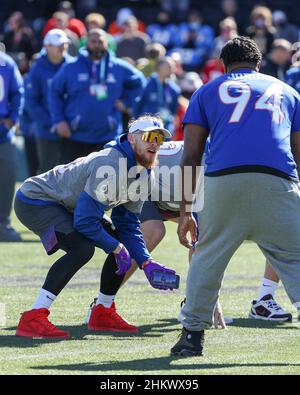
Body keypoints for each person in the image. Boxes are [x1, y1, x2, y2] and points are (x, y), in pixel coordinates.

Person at [171, 36, 300, 357]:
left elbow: (191, 155)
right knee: (296, 258)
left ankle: (192, 336)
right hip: (278, 181)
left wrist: (186, 211)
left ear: (224, 66)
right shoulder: (286, 91)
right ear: (259, 64)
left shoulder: (206, 90)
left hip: (224, 181)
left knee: (207, 258)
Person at [14, 115, 177, 339]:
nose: (155, 143)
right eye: (149, 136)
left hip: (69, 206)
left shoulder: (144, 174)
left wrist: (146, 261)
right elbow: (84, 221)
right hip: (36, 200)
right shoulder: (110, 163)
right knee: (82, 248)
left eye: (160, 139)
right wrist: (117, 249)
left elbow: (128, 225)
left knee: (121, 241)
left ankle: (102, 311)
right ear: (131, 138)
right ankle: (34, 316)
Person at [49, 28, 145, 164]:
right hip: (75, 135)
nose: (97, 45)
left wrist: (127, 103)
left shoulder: (118, 67)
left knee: (105, 182)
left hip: (108, 137)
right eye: (93, 41)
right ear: (86, 43)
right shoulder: (71, 67)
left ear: (107, 43)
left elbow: (140, 83)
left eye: (100, 41)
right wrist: (59, 121)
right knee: (73, 182)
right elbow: (54, 92)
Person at [25, 29, 73, 173]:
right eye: (58, 44)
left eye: (64, 44)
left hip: (73, 131)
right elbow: (31, 101)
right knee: (48, 174)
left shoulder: (73, 65)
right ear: (47, 47)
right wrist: (52, 124)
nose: (62, 47)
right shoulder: (37, 69)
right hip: (47, 131)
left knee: (73, 174)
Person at [0, 50, 23, 242]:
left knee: (7, 178)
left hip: (3, 133)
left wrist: (12, 120)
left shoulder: (6, 62)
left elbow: (17, 92)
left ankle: (3, 225)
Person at [135, 57, 180, 135]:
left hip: (165, 129)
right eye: (169, 67)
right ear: (159, 68)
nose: (172, 69)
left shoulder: (174, 89)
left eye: (173, 66)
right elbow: (137, 106)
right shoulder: (146, 85)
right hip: (146, 129)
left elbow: (173, 110)